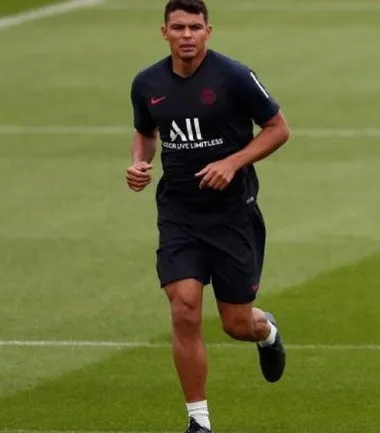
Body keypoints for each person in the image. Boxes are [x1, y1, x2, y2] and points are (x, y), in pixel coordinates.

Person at [126, 1, 290, 432]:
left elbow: (278, 129)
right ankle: (199, 421)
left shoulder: (234, 76)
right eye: (178, 27)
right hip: (178, 213)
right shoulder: (147, 83)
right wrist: (139, 162)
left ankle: (266, 332)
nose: (187, 35)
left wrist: (232, 163)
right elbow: (145, 131)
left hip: (232, 215)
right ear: (164, 32)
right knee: (185, 309)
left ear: (208, 31)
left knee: (237, 323)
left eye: (194, 27)